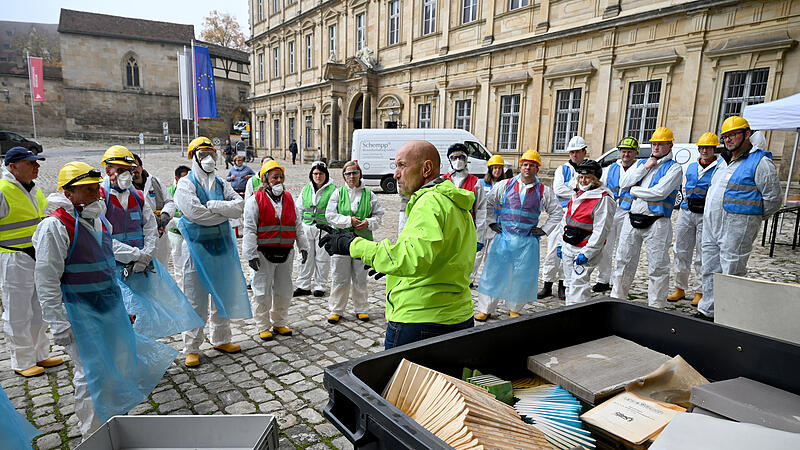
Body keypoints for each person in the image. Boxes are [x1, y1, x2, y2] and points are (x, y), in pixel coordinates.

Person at [32, 162, 176, 439]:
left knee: (114, 368)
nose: (95, 196)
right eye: (86, 191)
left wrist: (137, 261)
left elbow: (108, 258)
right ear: (69, 193)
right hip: (79, 312)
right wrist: (58, 324)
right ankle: (93, 435)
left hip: (108, 308)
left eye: (95, 189)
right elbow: (47, 280)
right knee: (91, 375)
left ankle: (111, 424)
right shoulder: (56, 227)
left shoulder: (99, 221)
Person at [319, 140, 476, 349]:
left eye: (401, 165)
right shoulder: (454, 202)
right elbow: (437, 255)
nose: (395, 174)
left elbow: (411, 258)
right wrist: (392, 268)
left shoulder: (429, 202)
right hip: (457, 315)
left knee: (402, 382)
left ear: (426, 168)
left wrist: (352, 245)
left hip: (422, 319)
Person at [100, 146, 203, 339]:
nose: (127, 175)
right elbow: (103, 238)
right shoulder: (100, 197)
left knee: (145, 314)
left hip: (141, 268)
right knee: (121, 317)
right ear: (108, 170)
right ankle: (128, 360)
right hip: (114, 268)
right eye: (120, 170)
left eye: (128, 170)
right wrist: (136, 255)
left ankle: (146, 357)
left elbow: (149, 228)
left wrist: (146, 255)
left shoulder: (138, 196)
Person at [174, 137, 252, 367]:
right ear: (194, 157)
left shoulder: (220, 183)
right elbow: (194, 213)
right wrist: (223, 214)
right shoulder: (185, 184)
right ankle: (191, 347)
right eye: (203, 153)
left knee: (221, 296)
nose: (209, 158)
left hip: (221, 248)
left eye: (212, 153)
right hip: (196, 250)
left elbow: (240, 205)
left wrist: (215, 206)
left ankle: (221, 338)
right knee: (195, 300)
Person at [698, 116, 780, 320]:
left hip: (737, 228)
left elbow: (773, 199)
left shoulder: (761, 162)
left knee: (731, 273)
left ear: (747, 134)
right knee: (709, 269)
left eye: (733, 134)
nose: (728, 139)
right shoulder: (723, 162)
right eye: (725, 136)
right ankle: (707, 311)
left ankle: (729, 316)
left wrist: (751, 219)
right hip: (712, 226)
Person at [475, 150, 562, 320]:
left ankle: (514, 307)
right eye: (525, 164)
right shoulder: (505, 185)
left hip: (527, 242)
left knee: (521, 275)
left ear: (537, 169)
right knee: (494, 273)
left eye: (532, 165)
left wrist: (544, 229)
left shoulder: (544, 191)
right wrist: (492, 222)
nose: (527, 168)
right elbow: (488, 203)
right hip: (503, 239)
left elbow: (557, 212)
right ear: (520, 166)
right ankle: (486, 308)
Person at [0, 147, 63, 377]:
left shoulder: (34, 189)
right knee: (17, 311)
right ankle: (22, 360)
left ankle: (39, 353)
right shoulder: (2, 190)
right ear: (13, 166)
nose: (37, 166)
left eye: (36, 162)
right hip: (13, 257)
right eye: (30, 163)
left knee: (39, 308)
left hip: (37, 255)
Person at [611, 127, 683, 307]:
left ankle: (656, 305)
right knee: (623, 260)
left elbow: (659, 193)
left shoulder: (674, 168)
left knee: (658, 266)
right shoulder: (641, 164)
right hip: (632, 217)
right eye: (654, 144)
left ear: (670, 145)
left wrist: (635, 190)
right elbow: (623, 183)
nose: (656, 147)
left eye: (661, 144)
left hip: (657, 221)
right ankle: (617, 299)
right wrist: (644, 167)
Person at [243, 161, 309, 340]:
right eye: (274, 178)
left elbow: (297, 225)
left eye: (281, 177)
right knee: (262, 291)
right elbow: (249, 228)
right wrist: (250, 254)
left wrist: (303, 246)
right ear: (266, 180)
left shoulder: (289, 199)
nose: (278, 181)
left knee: (284, 290)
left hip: (286, 252)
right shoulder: (255, 200)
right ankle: (263, 325)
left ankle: (279, 322)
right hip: (263, 253)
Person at [324, 161, 385, 324]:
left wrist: (368, 222)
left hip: (363, 242)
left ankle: (361, 308)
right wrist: (348, 220)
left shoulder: (369, 194)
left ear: (360, 174)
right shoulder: (338, 193)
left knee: (360, 277)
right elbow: (330, 215)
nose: (351, 176)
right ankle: (336, 309)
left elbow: (379, 217)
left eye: (354, 173)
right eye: (348, 173)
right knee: (339, 277)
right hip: (341, 242)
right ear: (344, 176)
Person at [667, 132, 721, 306]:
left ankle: (700, 290)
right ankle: (679, 288)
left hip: (705, 214)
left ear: (714, 149)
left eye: (708, 148)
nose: (705, 150)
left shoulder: (720, 167)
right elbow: (683, 186)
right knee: (681, 250)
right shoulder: (691, 166)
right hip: (686, 210)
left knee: (702, 253)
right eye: (702, 148)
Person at [556, 160, 616, 305]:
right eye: (581, 177)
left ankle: (578, 318)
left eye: (587, 177)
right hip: (569, 246)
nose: (583, 180)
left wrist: (588, 252)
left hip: (584, 248)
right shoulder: (576, 195)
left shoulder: (603, 198)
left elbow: (601, 230)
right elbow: (566, 221)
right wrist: (560, 244)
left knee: (579, 285)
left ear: (595, 179)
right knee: (569, 283)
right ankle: (570, 312)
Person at [539, 135, 587, 300]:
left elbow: (591, 188)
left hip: (578, 216)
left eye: (577, 152)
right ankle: (547, 284)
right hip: (561, 213)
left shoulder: (588, 169)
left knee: (568, 250)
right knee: (553, 248)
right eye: (572, 152)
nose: (574, 155)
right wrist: (578, 191)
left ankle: (563, 285)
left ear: (584, 152)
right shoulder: (562, 169)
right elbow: (559, 189)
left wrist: (574, 190)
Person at [596, 137, 640, 293]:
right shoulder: (610, 169)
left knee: (624, 248)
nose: (626, 154)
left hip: (629, 213)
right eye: (623, 151)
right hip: (611, 212)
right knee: (605, 247)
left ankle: (617, 281)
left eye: (629, 151)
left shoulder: (640, 169)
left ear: (636, 153)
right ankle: (602, 279)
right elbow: (601, 188)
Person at [444, 143, 487, 281]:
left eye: (461, 157)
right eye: (454, 157)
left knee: (466, 259)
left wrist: (479, 237)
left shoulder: (475, 182)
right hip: (448, 228)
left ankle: (466, 281)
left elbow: (481, 210)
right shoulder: (443, 181)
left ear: (466, 159)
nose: (458, 161)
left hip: (468, 228)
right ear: (450, 160)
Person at [294, 161, 336, 297]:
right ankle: (303, 285)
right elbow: (298, 208)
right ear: (311, 175)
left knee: (322, 259)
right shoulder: (306, 189)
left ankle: (320, 286)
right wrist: (298, 226)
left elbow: (335, 211)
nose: (318, 176)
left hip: (323, 229)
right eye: (315, 173)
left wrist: (332, 229)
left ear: (326, 174)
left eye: (321, 173)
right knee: (304, 257)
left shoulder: (333, 190)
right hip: (307, 227)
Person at [131, 153, 174, 267]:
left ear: (141, 167)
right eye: (129, 168)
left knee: (162, 266)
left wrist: (165, 214)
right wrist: (148, 217)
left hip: (160, 233)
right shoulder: (125, 187)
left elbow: (169, 201)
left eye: (135, 166)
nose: (133, 170)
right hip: (139, 235)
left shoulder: (155, 182)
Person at [471, 154, 508, 286]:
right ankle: (469, 279)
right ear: (490, 169)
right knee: (477, 254)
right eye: (494, 168)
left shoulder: (505, 185)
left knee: (492, 255)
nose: (497, 171)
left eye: (499, 168)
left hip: (497, 226)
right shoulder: (481, 184)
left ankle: (487, 280)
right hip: (482, 225)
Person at [166, 165, 190, 287]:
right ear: (176, 178)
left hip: (189, 230)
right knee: (177, 257)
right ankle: (181, 285)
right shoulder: (169, 192)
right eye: (183, 178)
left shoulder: (192, 190)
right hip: (175, 231)